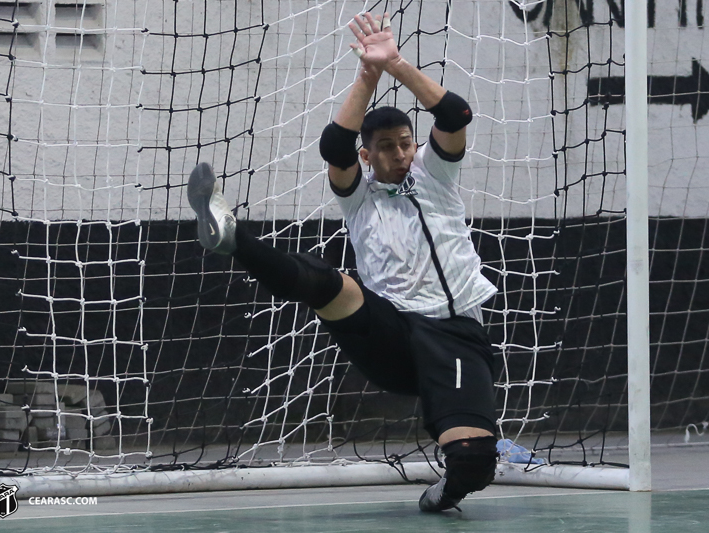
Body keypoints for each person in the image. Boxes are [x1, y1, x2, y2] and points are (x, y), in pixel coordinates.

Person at [188, 12, 499, 512]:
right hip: (392, 330)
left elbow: (455, 115)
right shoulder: (357, 195)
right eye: (386, 148)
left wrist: (394, 64)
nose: (399, 154)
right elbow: (333, 145)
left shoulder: (435, 173)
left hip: (455, 334)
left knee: (474, 459)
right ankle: (232, 236)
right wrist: (365, 78)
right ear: (367, 155)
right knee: (328, 283)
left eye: (405, 143)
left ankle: (444, 491)